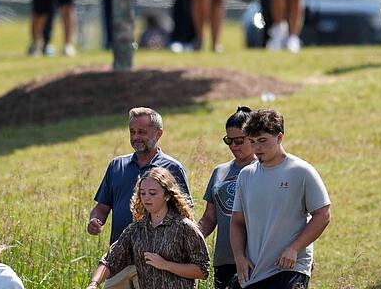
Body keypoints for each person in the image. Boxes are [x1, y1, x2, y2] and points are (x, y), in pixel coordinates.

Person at [87, 107, 191, 288]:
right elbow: (102, 207)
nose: (136, 137)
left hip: (157, 261)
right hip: (119, 258)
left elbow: (184, 214)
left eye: (142, 132)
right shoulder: (116, 166)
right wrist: (95, 220)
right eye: (132, 132)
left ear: (159, 134)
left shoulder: (172, 168)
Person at [230, 109, 331, 289]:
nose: (257, 148)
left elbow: (323, 214)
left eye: (262, 141)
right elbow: (237, 222)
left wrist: (294, 248)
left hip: (290, 269)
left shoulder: (301, 171)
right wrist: (239, 258)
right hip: (254, 271)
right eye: (252, 142)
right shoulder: (246, 176)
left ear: (279, 137)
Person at [86, 167, 209, 289]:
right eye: (143, 193)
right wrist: (94, 284)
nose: (146, 198)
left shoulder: (184, 227)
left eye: (153, 193)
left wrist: (166, 265)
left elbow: (202, 270)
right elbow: (110, 260)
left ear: (167, 195)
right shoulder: (136, 229)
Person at [197, 107, 256, 289]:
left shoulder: (265, 169)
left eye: (239, 140)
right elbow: (209, 218)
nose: (233, 146)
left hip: (256, 259)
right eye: (229, 140)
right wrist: (190, 236)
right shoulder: (220, 171)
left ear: (253, 136)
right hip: (224, 260)